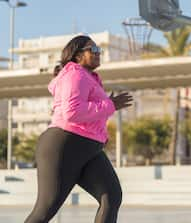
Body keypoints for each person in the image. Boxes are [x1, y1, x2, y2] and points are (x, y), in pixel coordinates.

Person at [24, 35, 133, 223]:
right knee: (45, 209)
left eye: (100, 50)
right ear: (77, 55)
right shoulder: (75, 74)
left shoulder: (88, 77)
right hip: (65, 144)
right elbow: (72, 113)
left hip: (88, 147)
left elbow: (88, 114)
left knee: (111, 196)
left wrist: (107, 106)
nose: (99, 54)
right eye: (94, 50)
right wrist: (110, 105)